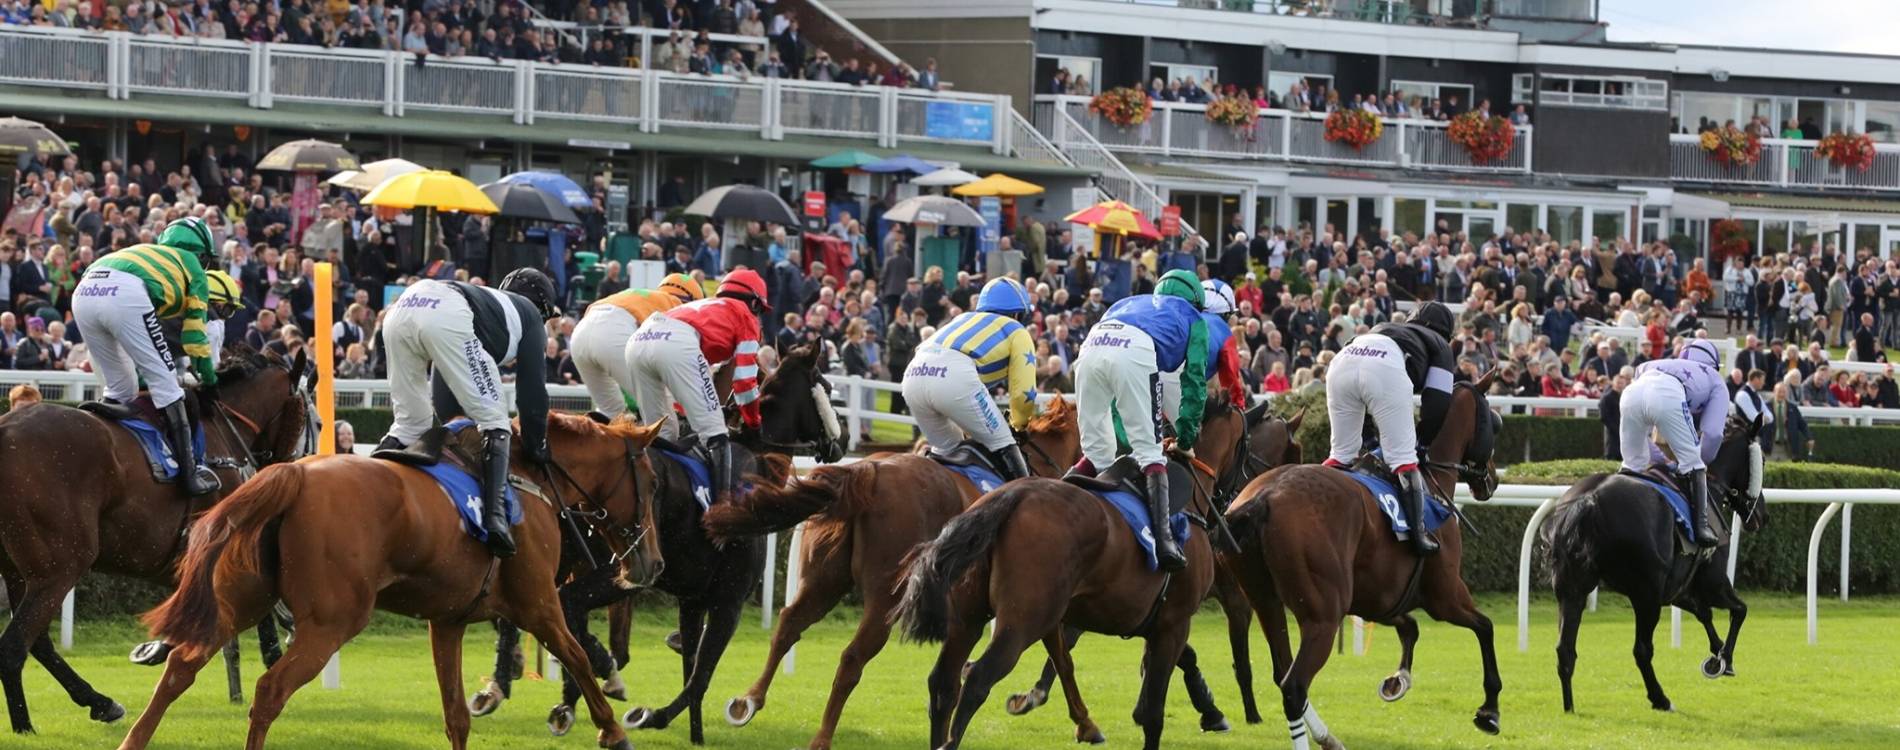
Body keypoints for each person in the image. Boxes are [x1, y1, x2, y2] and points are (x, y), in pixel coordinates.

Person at [376, 268, 561, 558]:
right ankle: (496, 519)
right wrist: (537, 448)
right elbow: (532, 395)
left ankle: (366, 485)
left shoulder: (488, 307)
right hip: (440, 311)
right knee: (495, 420)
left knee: (410, 425)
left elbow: (446, 406)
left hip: (403, 307)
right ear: (543, 308)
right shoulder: (530, 316)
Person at [1068, 269, 1208, 572]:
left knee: (1096, 452)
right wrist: (1185, 438)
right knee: (1150, 452)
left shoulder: (1128, 301)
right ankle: (1165, 541)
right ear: (1196, 301)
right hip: (1133, 350)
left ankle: (1056, 495)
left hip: (1092, 346)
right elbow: (1194, 382)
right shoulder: (1196, 319)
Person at [71, 217, 222, 496]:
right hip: (123, 293)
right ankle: (189, 477)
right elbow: (195, 340)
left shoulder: (147, 252)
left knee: (121, 387)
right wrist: (210, 381)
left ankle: (103, 437)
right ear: (201, 255)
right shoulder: (193, 269)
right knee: (167, 386)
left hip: (84, 290)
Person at [1322, 300, 1457, 556]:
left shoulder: (1385, 327)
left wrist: (1370, 440)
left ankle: (1318, 507)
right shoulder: (1440, 345)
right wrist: (1423, 444)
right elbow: (1438, 402)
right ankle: (1419, 535)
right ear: (1446, 333)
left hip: (1342, 362)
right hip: (1382, 367)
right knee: (1404, 460)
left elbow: (1362, 385)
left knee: (1341, 454)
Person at [625, 268, 768, 502]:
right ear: (754, 303)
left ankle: (650, 496)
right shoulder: (746, 317)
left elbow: (689, 378)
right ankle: (723, 510)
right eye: (760, 311)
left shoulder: (705, 308)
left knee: (662, 432)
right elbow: (744, 381)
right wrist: (754, 422)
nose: (759, 317)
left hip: (639, 340)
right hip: (675, 343)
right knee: (716, 433)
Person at [900, 277, 1038, 481]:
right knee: (1003, 441)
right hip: (954, 376)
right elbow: (1023, 393)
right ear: (1019, 313)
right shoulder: (1017, 330)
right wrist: (1019, 423)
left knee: (947, 450)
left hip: (914, 374)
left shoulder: (962, 318)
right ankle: (1026, 502)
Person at [1618, 339, 1727, 547]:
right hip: (1667, 395)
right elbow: (1713, 434)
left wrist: (1660, 459)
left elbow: (1644, 437)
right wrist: (1697, 461)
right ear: (1713, 363)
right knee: (1694, 464)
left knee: (1632, 463)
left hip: (1630, 394)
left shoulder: (1649, 364)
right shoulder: (1715, 379)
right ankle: (1701, 528)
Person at [569, 273, 704, 418]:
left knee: (610, 412)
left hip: (580, 334)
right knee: (663, 414)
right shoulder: (675, 304)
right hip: (613, 334)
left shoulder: (643, 296)